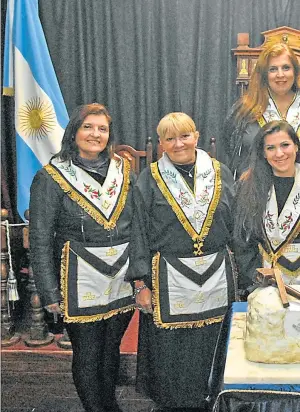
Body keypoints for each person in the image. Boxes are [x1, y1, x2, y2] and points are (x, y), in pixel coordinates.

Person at [126, 112, 237, 411]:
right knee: (173, 354)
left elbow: (235, 223)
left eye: (185, 136)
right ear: (161, 143)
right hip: (168, 278)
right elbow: (138, 230)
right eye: (170, 138)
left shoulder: (219, 171)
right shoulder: (149, 178)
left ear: (196, 136)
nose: (179, 144)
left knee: (212, 346)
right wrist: (141, 284)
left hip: (215, 274)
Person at [29, 103, 136, 412]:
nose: (95, 134)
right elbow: (39, 239)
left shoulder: (124, 170)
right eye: (88, 127)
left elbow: (136, 224)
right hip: (78, 279)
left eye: (102, 128)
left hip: (121, 276)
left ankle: (109, 405)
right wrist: (49, 292)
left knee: (110, 349)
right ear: (74, 131)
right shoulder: (50, 177)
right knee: (87, 353)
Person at [234, 120, 300, 294]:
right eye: (270, 148)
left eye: (285, 145)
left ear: (296, 147)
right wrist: (257, 278)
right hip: (264, 286)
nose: (279, 153)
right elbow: (242, 242)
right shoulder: (249, 186)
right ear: (263, 153)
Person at [224, 42, 300, 180]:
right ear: (264, 74)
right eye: (273, 69)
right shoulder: (244, 110)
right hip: (256, 192)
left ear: (295, 71)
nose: (280, 74)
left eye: (286, 68)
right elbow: (230, 149)